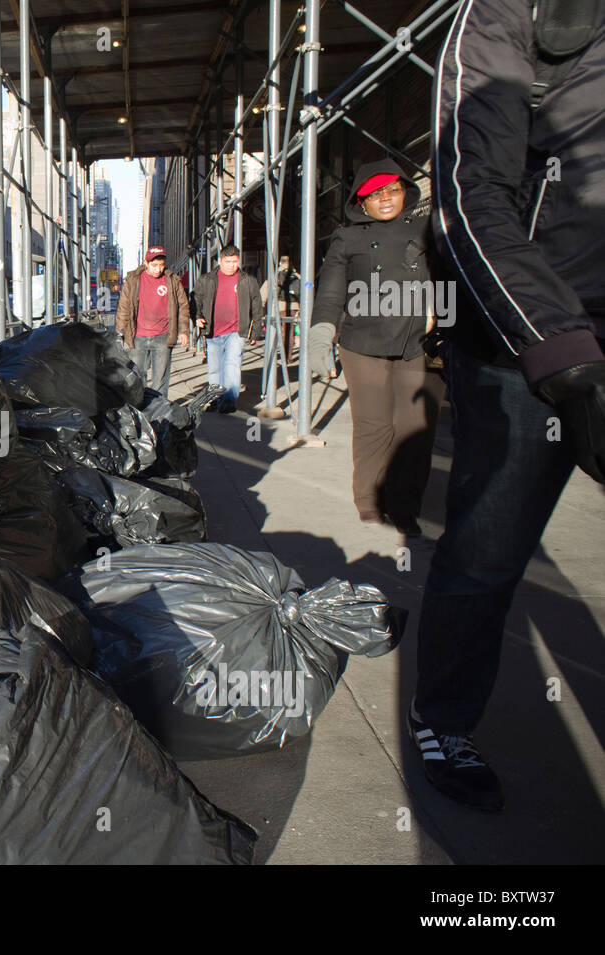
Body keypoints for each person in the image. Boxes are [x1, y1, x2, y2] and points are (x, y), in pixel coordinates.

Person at [412, 0, 605, 812]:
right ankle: (443, 716)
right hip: (528, 334)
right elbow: (468, 197)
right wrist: (558, 349)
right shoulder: (506, 14)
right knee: (488, 548)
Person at [312, 159, 441, 535]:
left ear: (405, 193)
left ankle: (404, 507)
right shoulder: (346, 238)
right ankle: (369, 501)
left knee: (415, 428)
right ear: (361, 203)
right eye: (375, 194)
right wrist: (323, 331)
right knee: (375, 425)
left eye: (392, 191)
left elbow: (448, 278)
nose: (385, 198)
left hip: (418, 342)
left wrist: (446, 320)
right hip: (362, 342)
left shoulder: (427, 230)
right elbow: (333, 290)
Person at [193, 245, 264, 413]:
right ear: (220, 261)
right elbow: (196, 300)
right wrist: (197, 317)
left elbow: (257, 305)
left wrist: (255, 332)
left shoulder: (247, 280)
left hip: (236, 331)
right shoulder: (207, 279)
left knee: (232, 363)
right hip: (213, 330)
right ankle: (215, 399)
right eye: (228, 262)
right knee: (215, 367)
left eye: (235, 262)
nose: (232, 265)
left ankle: (229, 400)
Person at [115, 246, 189, 394]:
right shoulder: (133, 280)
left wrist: (184, 330)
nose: (158, 269)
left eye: (161, 265)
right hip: (137, 337)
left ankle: (160, 412)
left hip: (163, 336)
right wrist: (120, 332)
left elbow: (183, 306)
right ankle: (142, 411)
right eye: (154, 265)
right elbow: (124, 307)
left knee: (160, 379)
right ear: (146, 263)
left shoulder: (172, 280)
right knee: (137, 377)